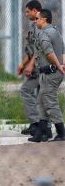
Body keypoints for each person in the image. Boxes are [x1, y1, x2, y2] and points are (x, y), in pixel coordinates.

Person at [29, 9, 65, 142]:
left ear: (44, 20)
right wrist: (62, 64)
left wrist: (59, 66)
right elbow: (62, 49)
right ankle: (42, 134)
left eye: (37, 19)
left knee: (50, 101)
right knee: (42, 101)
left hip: (51, 72)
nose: (35, 21)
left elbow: (49, 53)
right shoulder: (56, 31)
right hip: (52, 72)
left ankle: (61, 132)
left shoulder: (44, 34)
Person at [17, 0, 51, 137]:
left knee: (25, 91)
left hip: (39, 66)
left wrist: (30, 65)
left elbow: (40, 48)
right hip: (36, 64)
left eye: (27, 11)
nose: (26, 14)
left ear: (35, 10)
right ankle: (45, 128)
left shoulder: (39, 25)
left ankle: (36, 123)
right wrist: (23, 63)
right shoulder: (34, 25)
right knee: (40, 97)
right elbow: (31, 49)